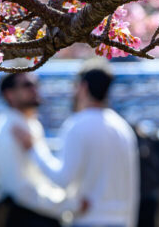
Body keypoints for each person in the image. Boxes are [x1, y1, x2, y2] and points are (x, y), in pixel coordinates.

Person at [15, 59, 140, 227]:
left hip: (89, 219)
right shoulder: (122, 127)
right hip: (121, 220)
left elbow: (62, 179)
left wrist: (33, 148)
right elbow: (133, 189)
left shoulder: (77, 125)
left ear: (83, 87)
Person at [0, 71, 76, 227]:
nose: (35, 89)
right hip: (29, 218)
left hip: (41, 214)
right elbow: (21, 190)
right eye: (27, 85)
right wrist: (67, 205)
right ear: (10, 94)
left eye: (36, 84)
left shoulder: (29, 124)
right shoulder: (9, 129)